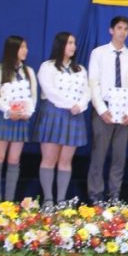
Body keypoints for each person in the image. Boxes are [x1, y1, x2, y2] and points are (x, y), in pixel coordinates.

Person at [86, 16, 128, 203]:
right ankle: (95, 195)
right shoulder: (99, 53)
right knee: (99, 155)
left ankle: (114, 195)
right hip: (105, 108)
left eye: (125, 29)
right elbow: (93, 83)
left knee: (119, 156)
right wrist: (102, 110)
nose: (122, 32)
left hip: (124, 111)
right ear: (111, 30)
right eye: (119, 28)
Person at [35, 32, 89, 207]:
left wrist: (80, 105)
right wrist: (69, 104)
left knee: (65, 161)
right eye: (69, 43)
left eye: (74, 43)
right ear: (60, 45)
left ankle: (61, 200)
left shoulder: (80, 69)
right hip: (53, 113)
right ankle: (48, 199)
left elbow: (87, 91)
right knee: (49, 159)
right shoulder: (47, 66)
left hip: (74, 115)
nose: (73, 46)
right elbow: (50, 91)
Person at [0, 35, 37, 202]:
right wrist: (9, 111)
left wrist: (28, 112)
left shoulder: (28, 71)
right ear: (12, 49)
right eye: (22, 47)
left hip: (21, 119)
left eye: (26, 47)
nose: (25, 50)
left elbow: (33, 96)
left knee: (14, 159)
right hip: (4, 117)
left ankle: (9, 201)